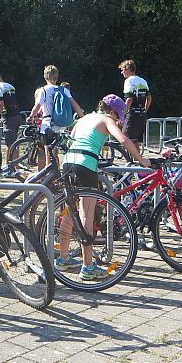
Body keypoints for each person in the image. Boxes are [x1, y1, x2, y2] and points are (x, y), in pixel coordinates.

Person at [58, 95, 151, 280]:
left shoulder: (84, 118)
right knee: (86, 214)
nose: (118, 121)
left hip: (68, 163)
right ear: (113, 112)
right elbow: (123, 139)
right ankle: (87, 266)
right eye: (119, 117)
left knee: (70, 212)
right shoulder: (106, 119)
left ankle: (63, 258)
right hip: (85, 165)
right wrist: (141, 160)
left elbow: (71, 139)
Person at [28, 65, 85, 169]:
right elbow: (74, 103)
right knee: (56, 153)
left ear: (45, 77)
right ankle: (58, 172)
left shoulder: (43, 90)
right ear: (57, 76)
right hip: (62, 124)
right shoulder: (63, 89)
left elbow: (37, 106)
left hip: (48, 124)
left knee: (48, 154)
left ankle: (49, 174)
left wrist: (31, 116)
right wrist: (82, 117)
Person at [119, 60, 151, 145]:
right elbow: (149, 98)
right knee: (135, 141)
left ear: (128, 69)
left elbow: (129, 99)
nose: (122, 72)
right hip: (142, 115)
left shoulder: (129, 81)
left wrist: (122, 115)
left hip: (132, 115)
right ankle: (136, 155)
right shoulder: (143, 81)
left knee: (125, 139)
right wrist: (144, 110)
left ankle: (131, 154)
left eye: (122, 70)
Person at [0, 69, 22, 150]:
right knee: (14, 145)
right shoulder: (10, 86)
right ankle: (14, 159)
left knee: (10, 145)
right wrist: (2, 116)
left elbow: (1, 105)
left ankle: (10, 159)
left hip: (9, 117)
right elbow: (10, 102)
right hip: (17, 115)